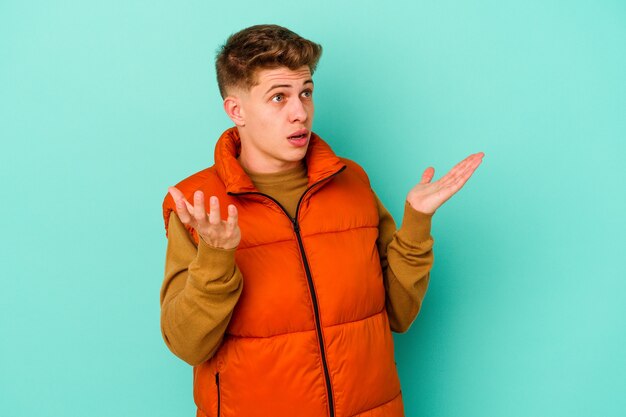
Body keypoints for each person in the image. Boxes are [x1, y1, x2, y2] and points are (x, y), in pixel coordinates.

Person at [160, 24, 483, 417]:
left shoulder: (353, 182)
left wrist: (417, 222)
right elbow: (187, 344)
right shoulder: (198, 206)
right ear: (236, 110)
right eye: (279, 97)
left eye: (306, 93)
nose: (300, 112)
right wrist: (215, 256)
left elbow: (398, 314)